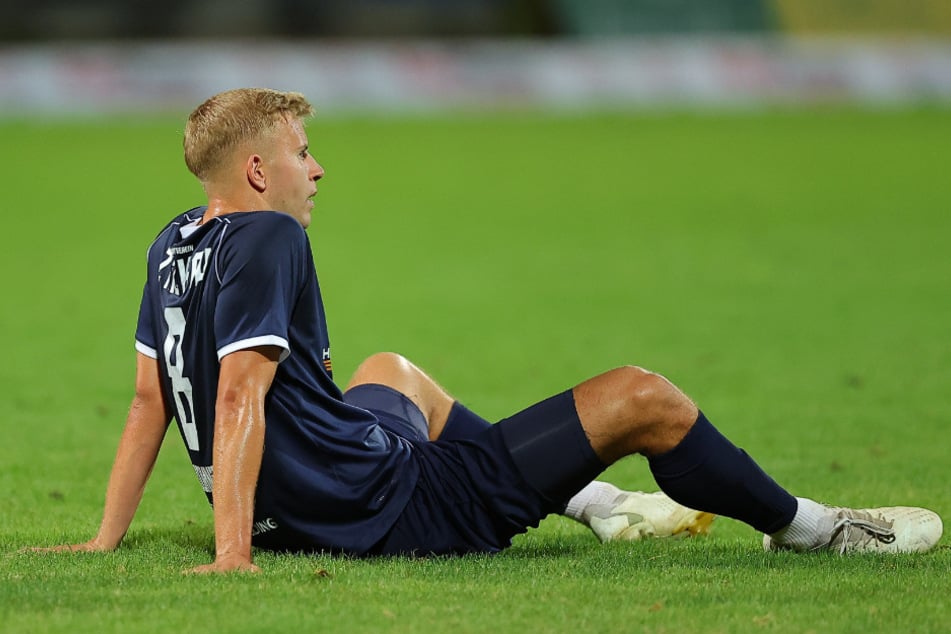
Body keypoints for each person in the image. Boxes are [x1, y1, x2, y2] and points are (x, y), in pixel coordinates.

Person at [33, 89, 942, 573]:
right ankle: (815, 531)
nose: (320, 167)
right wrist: (230, 559)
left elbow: (152, 397)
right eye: (303, 151)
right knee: (644, 396)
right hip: (390, 509)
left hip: (295, 510)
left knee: (389, 367)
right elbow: (236, 393)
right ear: (259, 171)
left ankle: (594, 504)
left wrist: (105, 540)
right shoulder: (269, 234)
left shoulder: (174, 241)